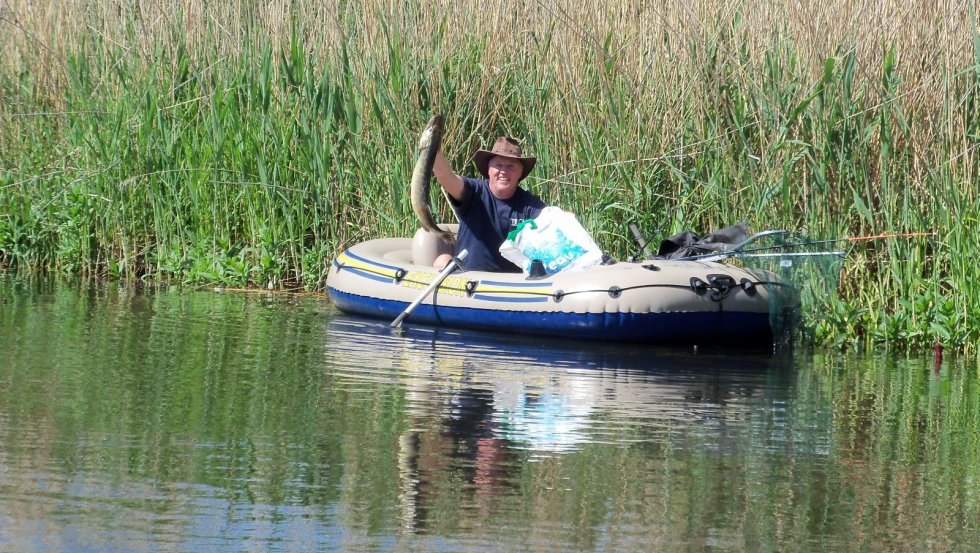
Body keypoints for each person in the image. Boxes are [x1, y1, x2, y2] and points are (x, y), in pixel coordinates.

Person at [432, 136, 546, 272]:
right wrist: (432, 144)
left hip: (513, 286)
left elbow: (554, 225)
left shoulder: (531, 205)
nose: (504, 171)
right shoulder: (473, 191)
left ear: (520, 172)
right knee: (442, 260)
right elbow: (444, 174)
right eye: (499, 165)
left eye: (511, 166)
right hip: (468, 280)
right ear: (489, 169)